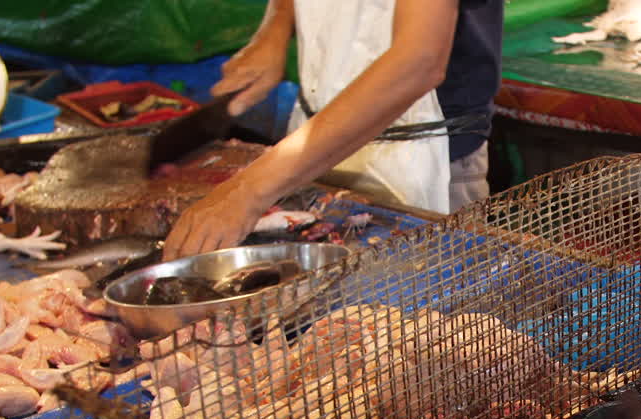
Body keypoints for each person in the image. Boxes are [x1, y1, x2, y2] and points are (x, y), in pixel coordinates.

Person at [163, 0, 504, 260]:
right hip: (314, 147)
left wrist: (248, 190)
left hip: (428, 161)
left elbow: (419, 62)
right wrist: (274, 29)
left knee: (418, 333)